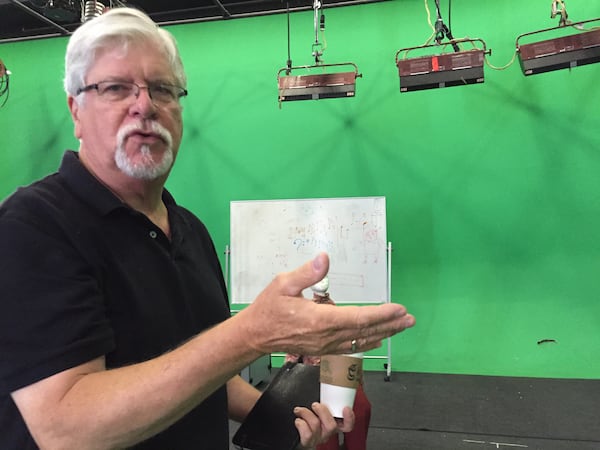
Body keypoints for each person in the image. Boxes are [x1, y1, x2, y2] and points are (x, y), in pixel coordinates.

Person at [0, 7, 415, 449]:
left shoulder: (189, 231)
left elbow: (206, 373)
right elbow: (66, 430)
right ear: (76, 111)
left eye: (163, 89)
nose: (145, 106)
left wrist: (280, 417)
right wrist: (253, 332)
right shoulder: (33, 227)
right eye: (116, 88)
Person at [286, 277, 372, 450]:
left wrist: (357, 382)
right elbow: (290, 363)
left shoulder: (339, 317)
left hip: (340, 376)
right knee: (326, 424)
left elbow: (352, 356)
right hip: (314, 380)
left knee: (362, 408)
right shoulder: (302, 323)